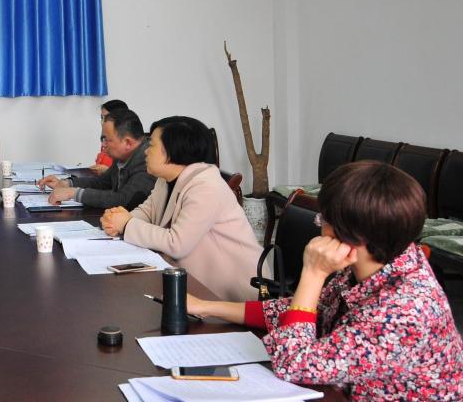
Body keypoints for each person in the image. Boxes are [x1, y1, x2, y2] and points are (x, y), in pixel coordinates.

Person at [187, 162, 463, 400]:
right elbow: (305, 313)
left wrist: (313, 273)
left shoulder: (404, 311)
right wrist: (205, 306)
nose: (320, 227)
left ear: (352, 234)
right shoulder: (375, 260)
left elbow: (293, 364)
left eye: (323, 219)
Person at [100, 116, 261, 301]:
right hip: (194, 281)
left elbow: (177, 243)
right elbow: (147, 211)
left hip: (234, 291)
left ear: (172, 151)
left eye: (151, 145)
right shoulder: (166, 179)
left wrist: (126, 224)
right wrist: (117, 219)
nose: (145, 151)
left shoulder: (206, 186)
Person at [37, 108, 154, 210]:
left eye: (106, 140)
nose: (103, 145)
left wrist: (74, 193)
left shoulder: (147, 160)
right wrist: (67, 183)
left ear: (127, 142)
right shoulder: (123, 155)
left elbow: (123, 200)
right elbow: (102, 182)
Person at [92, 99, 128, 173]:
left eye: (106, 118)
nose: (102, 122)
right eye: (102, 118)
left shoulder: (127, 142)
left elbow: (128, 173)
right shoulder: (106, 138)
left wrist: (107, 171)